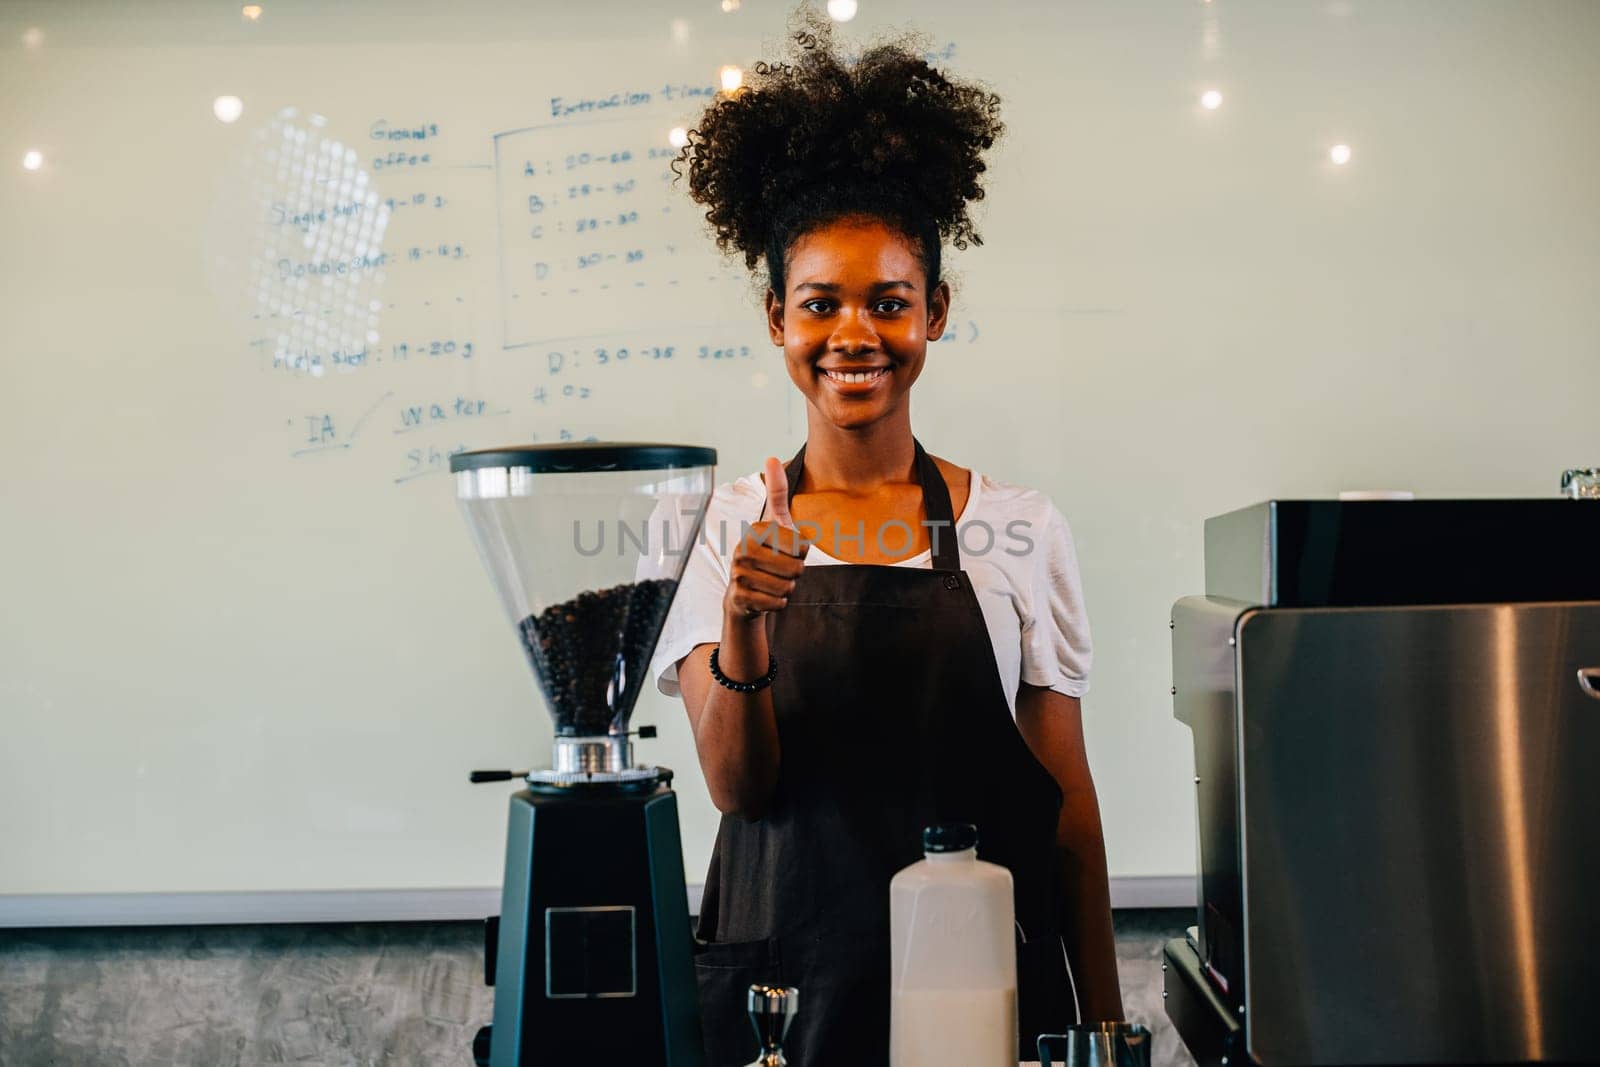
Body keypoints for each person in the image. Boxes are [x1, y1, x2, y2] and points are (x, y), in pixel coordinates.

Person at [650, 16, 1123, 1065]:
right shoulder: (717, 526)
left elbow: (1067, 815)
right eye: (819, 303)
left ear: (935, 312)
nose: (853, 333)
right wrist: (742, 621)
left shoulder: (1018, 528)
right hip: (786, 1009)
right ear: (777, 317)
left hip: (984, 1005)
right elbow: (737, 788)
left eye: (888, 302)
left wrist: (1104, 1026)